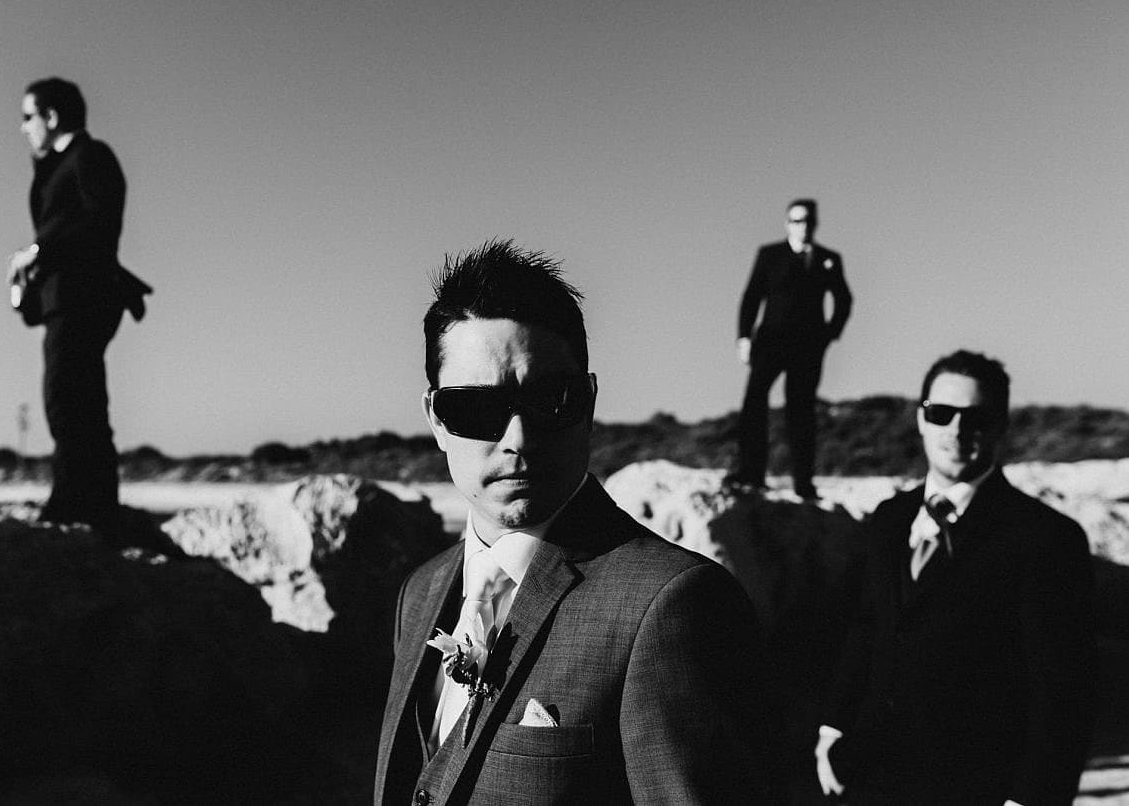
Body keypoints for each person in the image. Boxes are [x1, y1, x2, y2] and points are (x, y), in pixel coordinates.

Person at [374, 240, 776, 805]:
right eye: (476, 408)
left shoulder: (676, 605)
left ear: (587, 402)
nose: (517, 439)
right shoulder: (419, 594)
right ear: (436, 418)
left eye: (550, 399)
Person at [815, 350, 1095, 805]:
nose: (957, 429)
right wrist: (832, 730)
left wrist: (1032, 798)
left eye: (976, 417)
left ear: (1000, 425)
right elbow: (866, 629)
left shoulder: (1046, 539)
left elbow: (1065, 691)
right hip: (867, 780)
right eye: (941, 413)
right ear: (920, 419)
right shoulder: (888, 520)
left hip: (978, 788)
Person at [7, 78, 147, 531]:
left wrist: (38, 252)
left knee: (69, 400)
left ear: (51, 116)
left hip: (85, 297)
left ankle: (78, 507)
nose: (22, 127)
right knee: (74, 400)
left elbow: (100, 220)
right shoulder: (59, 166)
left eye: (28, 117)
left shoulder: (91, 155)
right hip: (68, 298)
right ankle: (91, 505)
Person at [729, 199, 852, 500]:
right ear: (787, 224)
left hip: (808, 347)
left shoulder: (829, 259)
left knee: (801, 411)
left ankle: (803, 483)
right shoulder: (769, 255)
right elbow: (751, 296)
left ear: (815, 223)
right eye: (796, 221)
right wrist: (743, 337)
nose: (803, 226)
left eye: (807, 220)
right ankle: (751, 473)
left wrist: (829, 334)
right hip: (770, 341)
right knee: (754, 401)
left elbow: (844, 299)